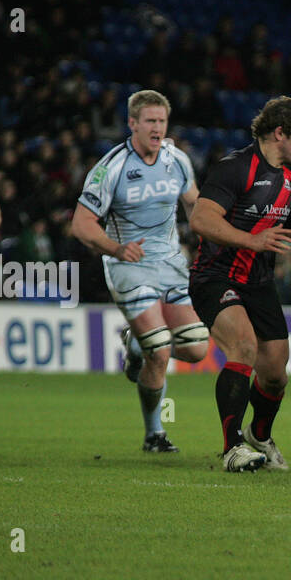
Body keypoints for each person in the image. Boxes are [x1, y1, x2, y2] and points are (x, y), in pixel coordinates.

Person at [187, 95, 291, 473]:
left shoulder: (289, 182)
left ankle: (260, 435)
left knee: (275, 374)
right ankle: (233, 448)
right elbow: (201, 218)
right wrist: (251, 241)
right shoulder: (235, 168)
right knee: (242, 346)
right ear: (280, 133)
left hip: (258, 284)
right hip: (215, 276)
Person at [72, 89, 208, 453]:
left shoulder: (176, 159)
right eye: (150, 121)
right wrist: (117, 248)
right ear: (132, 123)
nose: (157, 128)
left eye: (162, 121)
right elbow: (82, 224)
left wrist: (210, 236)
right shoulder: (111, 167)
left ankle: (135, 343)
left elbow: (194, 203)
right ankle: (154, 433)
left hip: (170, 263)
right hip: (129, 267)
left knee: (196, 349)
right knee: (160, 350)